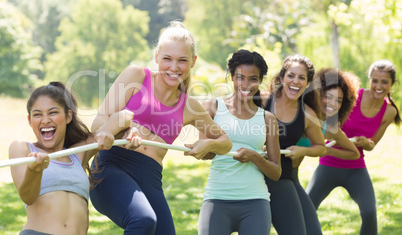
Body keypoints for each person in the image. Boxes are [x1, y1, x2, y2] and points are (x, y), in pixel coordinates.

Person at [89, 21, 232, 235]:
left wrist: (208, 143)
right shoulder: (136, 77)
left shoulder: (190, 107)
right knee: (143, 220)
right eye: (167, 59)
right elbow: (98, 125)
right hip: (111, 167)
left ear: (193, 62)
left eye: (182, 60)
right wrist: (124, 130)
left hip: (150, 176)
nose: (174, 67)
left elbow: (225, 143)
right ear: (157, 57)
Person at [9, 82, 139, 235]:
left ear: (68, 116)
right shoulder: (22, 148)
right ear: (30, 120)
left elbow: (124, 117)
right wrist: (34, 171)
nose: (45, 120)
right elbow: (27, 197)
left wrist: (128, 131)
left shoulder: (79, 153)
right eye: (37, 114)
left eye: (52, 112)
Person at [306, 60, 401, 235]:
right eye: (375, 80)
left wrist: (366, 143)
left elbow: (372, 144)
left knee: (369, 212)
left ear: (392, 84)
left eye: (384, 82)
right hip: (329, 161)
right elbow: (327, 121)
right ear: (369, 79)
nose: (378, 86)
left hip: (355, 167)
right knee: (306, 208)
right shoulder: (353, 96)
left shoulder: (389, 112)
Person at [197, 49, 281, 235]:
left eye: (253, 79)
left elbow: (276, 172)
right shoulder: (212, 108)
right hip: (217, 198)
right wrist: (208, 146)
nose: (246, 84)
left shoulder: (268, 119)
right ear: (231, 77)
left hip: (255, 202)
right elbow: (205, 154)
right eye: (240, 77)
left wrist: (254, 156)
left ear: (260, 81)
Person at [261, 54, 326, 235]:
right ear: (282, 78)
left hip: (282, 177)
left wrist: (302, 150)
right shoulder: (262, 101)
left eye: (302, 78)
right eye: (291, 75)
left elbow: (321, 147)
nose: (295, 81)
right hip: (254, 173)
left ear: (308, 84)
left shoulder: (308, 114)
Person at [294, 67, 361, 234]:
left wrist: (325, 150)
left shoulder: (330, 127)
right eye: (327, 96)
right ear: (317, 94)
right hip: (269, 173)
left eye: (338, 100)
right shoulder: (300, 114)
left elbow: (354, 153)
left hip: (291, 178)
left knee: (312, 229)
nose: (332, 103)